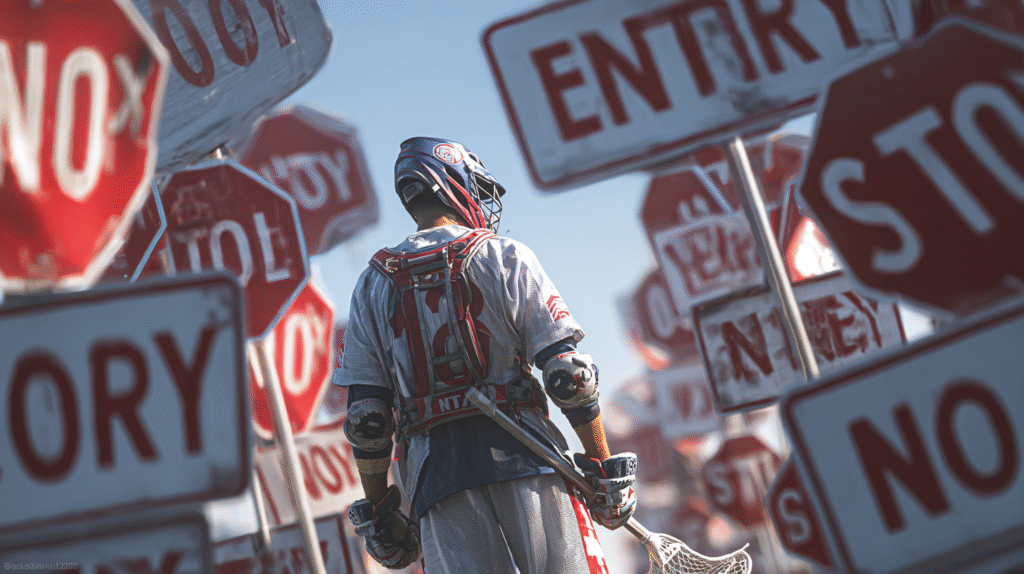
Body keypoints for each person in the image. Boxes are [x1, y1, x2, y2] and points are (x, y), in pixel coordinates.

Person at [333, 136, 637, 573]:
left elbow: (367, 418)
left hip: (436, 481)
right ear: (451, 183)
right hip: (529, 460)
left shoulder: (372, 283)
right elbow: (568, 375)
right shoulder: (503, 254)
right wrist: (602, 462)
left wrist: (379, 508)